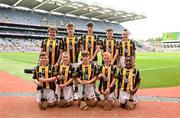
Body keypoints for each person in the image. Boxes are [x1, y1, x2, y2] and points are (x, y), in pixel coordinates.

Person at [62, 23, 81, 99]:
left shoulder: (77, 39)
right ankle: (68, 92)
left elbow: (79, 49)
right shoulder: (64, 39)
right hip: (66, 63)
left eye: (71, 29)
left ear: (74, 30)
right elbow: (63, 51)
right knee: (67, 76)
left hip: (75, 62)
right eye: (69, 29)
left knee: (75, 77)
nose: (70, 30)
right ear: (67, 30)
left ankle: (76, 92)